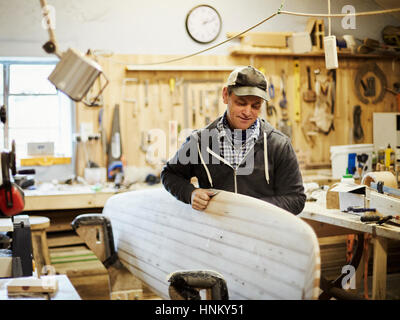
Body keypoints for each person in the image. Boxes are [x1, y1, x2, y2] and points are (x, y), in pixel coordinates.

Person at [161, 65, 306, 215]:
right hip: (218, 234)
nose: (247, 112)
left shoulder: (278, 145)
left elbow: (296, 199)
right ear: (225, 95)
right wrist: (190, 194)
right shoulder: (200, 142)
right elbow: (170, 174)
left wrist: (252, 208)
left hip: (261, 234)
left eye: (255, 106)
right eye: (241, 103)